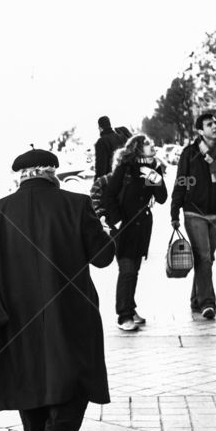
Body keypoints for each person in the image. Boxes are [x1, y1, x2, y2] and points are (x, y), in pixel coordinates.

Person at [0, 149, 115, 431]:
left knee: (28, 375)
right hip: (71, 308)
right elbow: (102, 258)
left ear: (20, 176)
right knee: (78, 375)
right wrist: (105, 227)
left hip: (15, 313)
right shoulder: (77, 204)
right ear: (53, 172)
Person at [91, 134, 168, 332]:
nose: (152, 146)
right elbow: (109, 195)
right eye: (148, 144)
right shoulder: (125, 168)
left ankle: (130, 308)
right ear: (138, 148)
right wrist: (117, 220)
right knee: (126, 270)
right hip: (124, 227)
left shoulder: (153, 168)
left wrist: (155, 178)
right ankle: (123, 315)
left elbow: (161, 198)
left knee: (134, 270)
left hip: (142, 226)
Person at [170, 110, 216, 320]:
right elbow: (181, 181)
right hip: (194, 213)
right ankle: (208, 303)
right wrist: (174, 212)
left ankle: (195, 299)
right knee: (204, 257)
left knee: (206, 258)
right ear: (201, 130)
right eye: (210, 124)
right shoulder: (189, 153)